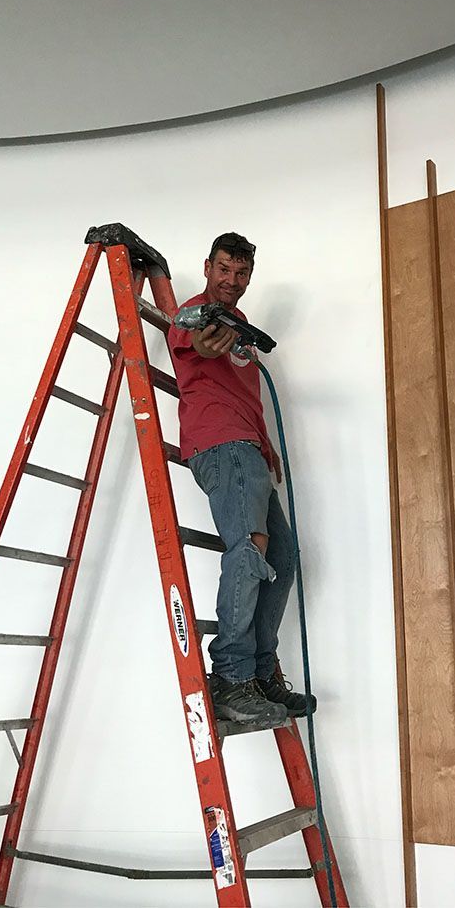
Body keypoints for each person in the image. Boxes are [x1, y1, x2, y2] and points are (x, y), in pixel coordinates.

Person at [168, 231, 315, 725]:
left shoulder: (241, 323)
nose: (231, 281)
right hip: (218, 442)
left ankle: (259, 671)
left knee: (284, 555)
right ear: (207, 266)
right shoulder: (196, 314)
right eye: (224, 270)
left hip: (247, 444)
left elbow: (241, 385)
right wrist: (207, 342)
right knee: (249, 548)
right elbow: (192, 340)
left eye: (241, 273)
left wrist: (264, 439)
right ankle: (232, 676)